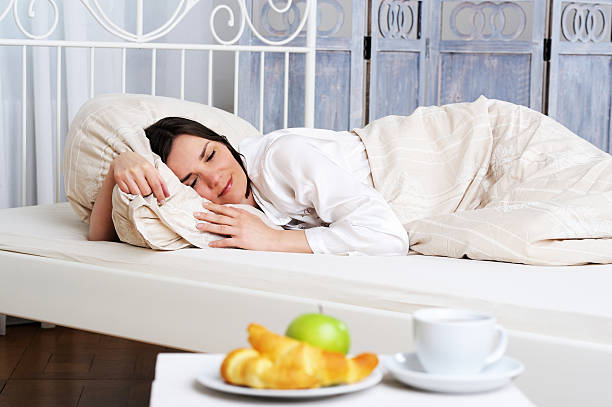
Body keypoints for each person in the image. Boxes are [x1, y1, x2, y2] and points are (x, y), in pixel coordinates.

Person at [88, 117, 409, 256]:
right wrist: (119, 165)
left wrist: (274, 240)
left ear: (223, 142)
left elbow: (387, 237)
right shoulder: (231, 211)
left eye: (211, 155)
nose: (215, 178)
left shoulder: (280, 158)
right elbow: (99, 239)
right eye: (192, 181)